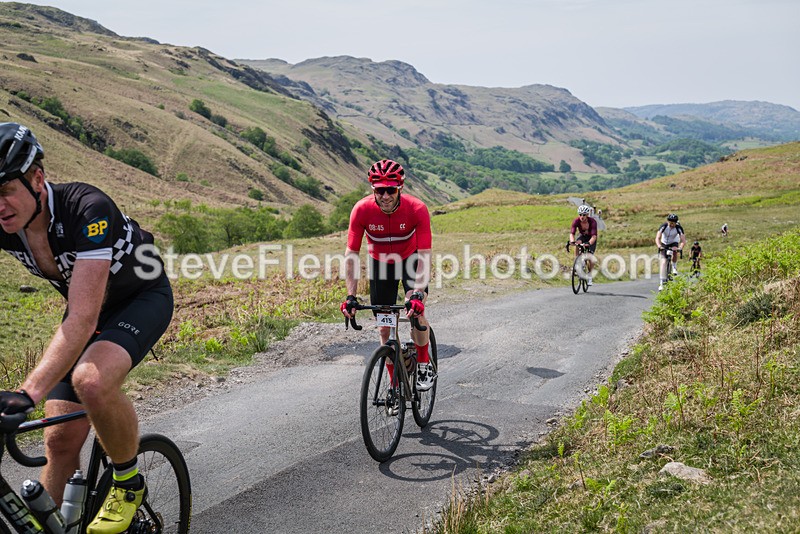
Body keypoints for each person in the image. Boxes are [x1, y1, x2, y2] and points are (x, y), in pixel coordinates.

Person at [0, 123, 173, 534]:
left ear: (37, 179)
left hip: (141, 298)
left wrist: (27, 393)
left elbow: (82, 318)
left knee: (91, 382)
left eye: (5, 190)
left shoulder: (87, 209)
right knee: (59, 439)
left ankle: (127, 482)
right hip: (88, 306)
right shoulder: (7, 223)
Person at [340, 159, 435, 391]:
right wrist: (350, 296)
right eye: (379, 190)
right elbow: (351, 254)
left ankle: (424, 363)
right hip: (381, 265)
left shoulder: (416, 209)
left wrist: (418, 293)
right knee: (384, 327)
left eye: (390, 190)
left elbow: (424, 254)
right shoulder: (362, 210)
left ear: (400, 187)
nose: (385, 196)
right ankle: (395, 383)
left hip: (411, 259)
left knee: (415, 312)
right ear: (373, 189)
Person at [568, 204, 598, 286]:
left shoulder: (592, 222)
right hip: (583, 236)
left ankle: (590, 276)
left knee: (590, 256)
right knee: (577, 244)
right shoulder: (576, 221)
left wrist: (589, 243)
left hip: (591, 238)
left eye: (584, 215)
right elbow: (572, 233)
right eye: (580, 214)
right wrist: (572, 241)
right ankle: (577, 262)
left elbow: (594, 236)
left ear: (587, 215)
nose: (582, 216)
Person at [655, 213, 686, 291]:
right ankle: (661, 283)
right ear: (667, 221)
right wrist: (659, 246)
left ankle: (674, 266)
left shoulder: (679, 228)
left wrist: (680, 248)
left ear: (676, 223)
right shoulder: (663, 226)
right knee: (663, 262)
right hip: (664, 243)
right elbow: (657, 237)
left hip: (674, 242)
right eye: (670, 223)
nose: (671, 225)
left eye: (673, 223)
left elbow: (683, 241)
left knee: (675, 249)